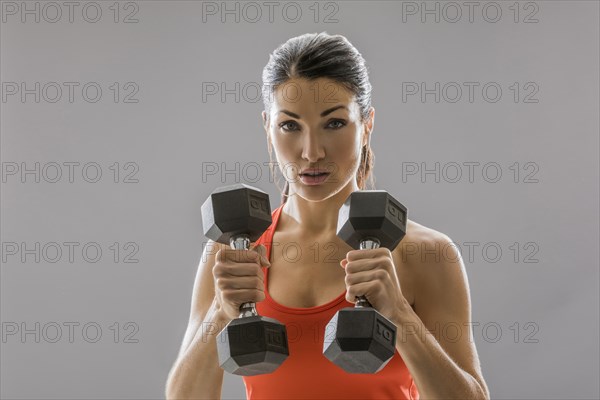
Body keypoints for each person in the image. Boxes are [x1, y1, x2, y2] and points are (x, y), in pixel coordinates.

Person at [166, 32, 490, 400]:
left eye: (334, 123)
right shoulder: (234, 254)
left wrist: (400, 314)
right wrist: (221, 314)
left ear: (367, 125)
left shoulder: (425, 252)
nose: (311, 152)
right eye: (289, 125)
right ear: (267, 129)